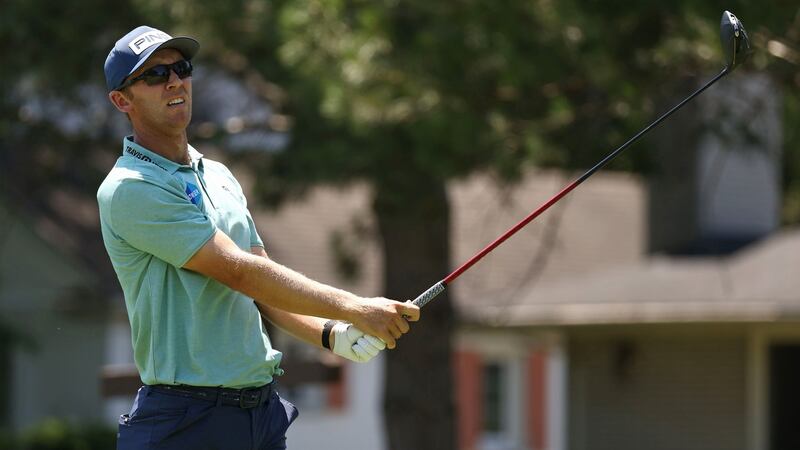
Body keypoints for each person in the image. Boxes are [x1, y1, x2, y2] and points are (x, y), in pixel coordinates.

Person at [97, 25, 420, 450]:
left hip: (259, 415)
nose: (174, 81)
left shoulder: (218, 175)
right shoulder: (130, 187)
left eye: (181, 67)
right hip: (184, 421)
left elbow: (262, 283)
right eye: (154, 75)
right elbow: (238, 273)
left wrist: (331, 334)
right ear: (123, 100)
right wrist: (354, 307)